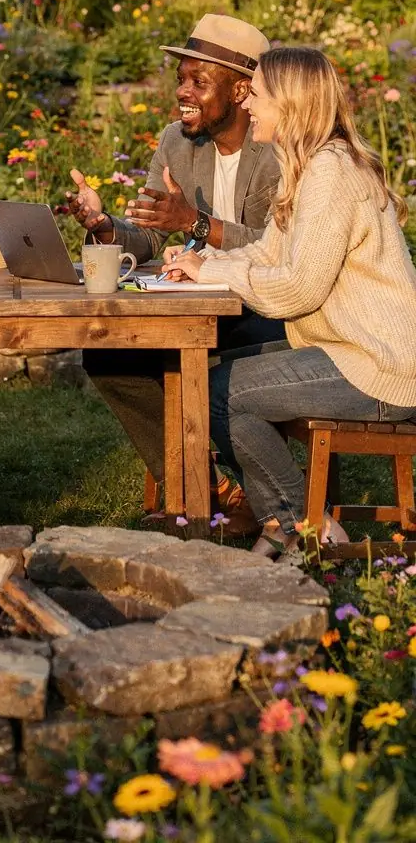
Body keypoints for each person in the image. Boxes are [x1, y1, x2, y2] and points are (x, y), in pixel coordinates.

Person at [163, 45, 416, 556]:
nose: (249, 105)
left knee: (216, 391)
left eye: (256, 95)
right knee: (209, 382)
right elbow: (267, 251)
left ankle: (298, 526)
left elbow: (298, 287)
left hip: (382, 365)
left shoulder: (331, 172)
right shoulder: (309, 165)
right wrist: (201, 266)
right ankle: (299, 519)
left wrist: (212, 270)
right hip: (347, 352)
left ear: (291, 103)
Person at [68, 14, 285, 523]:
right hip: (198, 300)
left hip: (266, 304)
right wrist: (103, 225)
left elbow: (282, 247)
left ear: (241, 90)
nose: (182, 93)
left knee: (207, 367)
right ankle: (207, 485)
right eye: (180, 79)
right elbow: (148, 237)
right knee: (108, 356)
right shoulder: (176, 140)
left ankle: (246, 494)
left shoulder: (276, 146)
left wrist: (197, 223)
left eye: (198, 82)